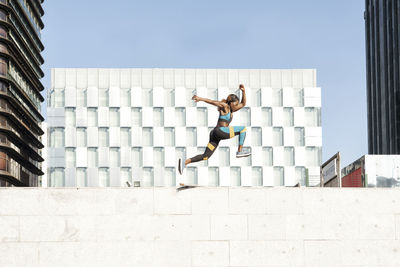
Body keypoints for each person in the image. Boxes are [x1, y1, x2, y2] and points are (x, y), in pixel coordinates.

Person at [178, 84, 250, 175]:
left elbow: (243, 104)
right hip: (221, 131)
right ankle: (239, 151)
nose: (236, 106)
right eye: (235, 104)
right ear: (231, 102)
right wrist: (200, 98)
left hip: (215, 135)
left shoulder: (232, 110)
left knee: (206, 156)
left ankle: (185, 162)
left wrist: (243, 91)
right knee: (242, 129)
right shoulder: (225, 106)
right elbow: (212, 101)